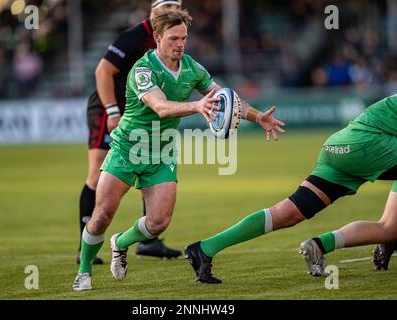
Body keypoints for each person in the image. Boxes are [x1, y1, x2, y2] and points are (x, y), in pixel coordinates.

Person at [72, 9, 285, 291]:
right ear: (157, 38)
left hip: (161, 153)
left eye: (184, 37)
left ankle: (120, 242)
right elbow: (160, 107)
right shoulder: (143, 69)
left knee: (158, 222)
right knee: (101, 216)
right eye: (174, 38)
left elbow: (224, 98)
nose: (180, 44)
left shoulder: (193, 68)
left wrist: (258, 116)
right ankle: (84, 271)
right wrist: (197, 106)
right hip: (127, 148)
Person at [185, 95, 397, 283]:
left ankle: (205, 249)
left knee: (287, 214)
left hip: (339, 147)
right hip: (366, 145)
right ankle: (388, 238)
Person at [76, 0, 183, 265]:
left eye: (176, 4)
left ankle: (148, 241)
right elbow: (103, 71)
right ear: (152, 8)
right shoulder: (135, 36)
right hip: (109, 106)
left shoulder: (173, 37)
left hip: (139, 110)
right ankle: (84, 246)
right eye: (165, 4)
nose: (170, 8)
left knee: (152, 161)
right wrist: (112, 110)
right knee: (97, 171)